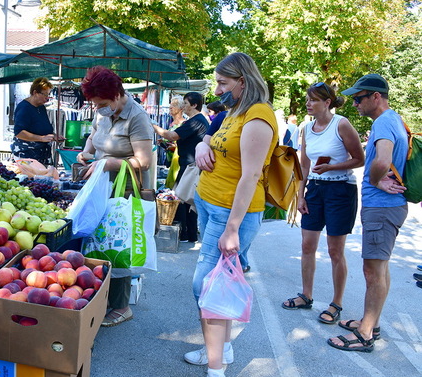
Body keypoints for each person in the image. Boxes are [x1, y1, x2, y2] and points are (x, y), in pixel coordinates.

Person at [185, 52, 278, 377]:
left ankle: (217, 368)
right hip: (211, 205)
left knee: (207, 286)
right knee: (211, 284)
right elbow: (212, 134)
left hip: (231, 213)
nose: (218, 88)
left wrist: (233, 229)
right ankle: (219, 347)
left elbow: (251, 175)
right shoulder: (235, 110)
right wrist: (201, 146)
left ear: (243, 81)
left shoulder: (259, 116)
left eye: (223, 82)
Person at [327, 74, 408, 352]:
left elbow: (383, 159)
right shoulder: (392, 119)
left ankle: (364, 334)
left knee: (372, 271)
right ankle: (371, 322)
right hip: (388, 208)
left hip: (382, 208)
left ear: (376, 97)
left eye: (359, 98)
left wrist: (376, 180)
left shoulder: (384, 122)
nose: (355, 103)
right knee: (379, 268)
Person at [76, 66, 154, 327]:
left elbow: (143, 161)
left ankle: (122, 305)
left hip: (123, 190)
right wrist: (86, 152)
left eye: (104, 103)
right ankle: (101, 295)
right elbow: (93, 136)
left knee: (116, 245)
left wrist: (108, 164)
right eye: (96, 104)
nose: (100, 109)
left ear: (118, 94)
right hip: (100, 186)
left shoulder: (137, 117)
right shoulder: (102, 113)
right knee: (96, 242)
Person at [281, 82, 364, 326]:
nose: (308, 103)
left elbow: (359, 159)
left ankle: (336, 303)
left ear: (327, 103)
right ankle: (306, 295)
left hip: (340, 189)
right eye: (308, 99)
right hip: (315, 189)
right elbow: (304, 164)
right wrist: (301, 194)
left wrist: (332, 167)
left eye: (314, 99)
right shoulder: (306, 127)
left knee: (335, 250)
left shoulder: (342, 124)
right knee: (307, 245)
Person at [153, 92, 209, 243]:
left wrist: (151, 125)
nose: (182, 107)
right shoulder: (197, 120)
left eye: (185, 103)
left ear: (194, 105)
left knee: (185, 199)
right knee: (187, 199)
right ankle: (189, 234)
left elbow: (171, 135)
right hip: (190, 165)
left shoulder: (196, 120)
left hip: (191, 166)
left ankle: (187, 234)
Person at [11, 77, 59, 165]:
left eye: (48, 94)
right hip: (27, 155)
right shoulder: (24, 108)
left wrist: (54, 136)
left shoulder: (41, 107)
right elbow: (19, 132)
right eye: (44, 94)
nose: (47, 98)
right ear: (35, 93)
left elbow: (44, 128)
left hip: (42, 155)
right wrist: (41, 138)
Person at [161, 96, 186, 188]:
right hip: (170, 160)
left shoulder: (184, 124)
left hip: (177, 161)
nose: (171, 107)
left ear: (181, 108)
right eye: (170, 105)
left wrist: (172, 146)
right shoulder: (171, 123)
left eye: (174, 105)